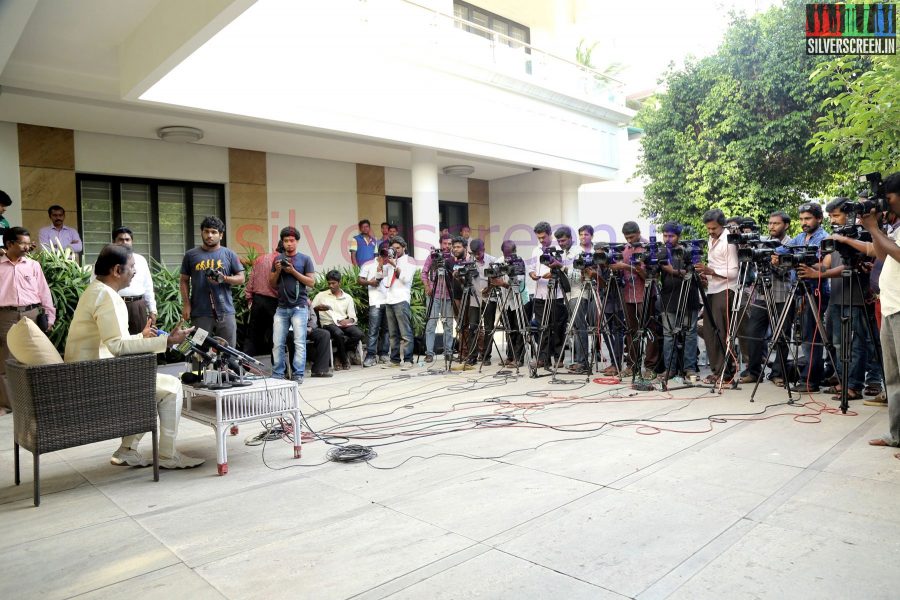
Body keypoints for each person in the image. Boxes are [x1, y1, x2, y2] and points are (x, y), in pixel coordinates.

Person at [65, 244, 202, 468]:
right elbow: (118, 346)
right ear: (117, 270)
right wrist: (168, 340)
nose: (134, 272)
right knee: (171, 387)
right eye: (131, 268)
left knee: (150, 385)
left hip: (87, 373)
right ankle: (168, 456)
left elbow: (110, 341)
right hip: (95, 380)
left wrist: (141, 335)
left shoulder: (95, 291)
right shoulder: (109, 297)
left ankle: (127, 450)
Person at [817, 198, 879, 401]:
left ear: (850, 215)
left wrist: (820, 274)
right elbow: (825, 263)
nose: (833, 221)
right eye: (831, 217)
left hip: (857, 297)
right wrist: (806, 266)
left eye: (836, 215)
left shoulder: (863, 236)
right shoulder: (834, 238)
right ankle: (843, 382)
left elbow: (851, 266)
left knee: (856, 344)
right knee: (838, 344)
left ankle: (853, 386)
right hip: (836, 297)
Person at [862, 173, 900, 459]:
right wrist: (874, 229)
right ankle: (896, 434)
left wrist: (875, 228)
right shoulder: (895, 226)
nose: (886, 201)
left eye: (889, 196)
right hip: (890, 307)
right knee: (893, 378)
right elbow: (883, 255)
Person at [0, 227, 56, 415]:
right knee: (6, 361)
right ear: (9, 244)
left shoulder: (33, 265)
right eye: (22, 243)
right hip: (5, 316)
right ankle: (8, 406)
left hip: (31, 314)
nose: (27, 247)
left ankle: (35, 401)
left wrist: (50, 315)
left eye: (27, 242)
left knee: (35, 356)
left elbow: (44, 292)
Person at [777, 202, 830, 392]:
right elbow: (781, 252)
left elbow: (825, 265)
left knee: (811, 337)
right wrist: (776, 256)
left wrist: (811, 266)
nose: (804, 222)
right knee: (803, 335)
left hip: (815, 291)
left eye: (807, 218)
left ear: (819, 219)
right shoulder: (799, 237)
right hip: (798, 290)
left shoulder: (824, 238)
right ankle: (804, 376)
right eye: (801, 219)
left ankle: (811, 380)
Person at [742, 211, 792, 385]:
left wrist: (774, 263)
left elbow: (784, 271)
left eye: (776, 224)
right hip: (762, 294)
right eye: (770, 223)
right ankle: (753, 372)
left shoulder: (790, 244)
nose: (772, 227)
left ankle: (777, 373)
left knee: (781, 336)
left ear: (786, 225)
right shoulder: (763, 242)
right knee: (753, 333)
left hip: (783, 296)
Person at [180, 216, 245, 346]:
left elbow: (241, 278)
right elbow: (183, 280)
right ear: (202, 233)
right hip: (200, 313)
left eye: (214, 232)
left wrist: (224, 278)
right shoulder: (191, 255)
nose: (209, 235)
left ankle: (226, 368)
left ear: (221, 235)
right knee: (199, 351)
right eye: (206, 231)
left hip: (225, 312)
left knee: (228, 352)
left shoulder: (229, 254)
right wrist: (186, 304)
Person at [695, 209, 739, 384]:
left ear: (722, 224)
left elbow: (734, 272)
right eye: (708, 229)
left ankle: (725, 372)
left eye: (714, 228)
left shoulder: (728, 241)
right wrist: (707, 275)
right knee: (709, 331)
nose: (711, 232)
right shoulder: (711, 239)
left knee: (721, 332)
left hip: (726, 289)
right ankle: (717, 369)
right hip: (713, 289)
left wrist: (711, 271)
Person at [611, 221, 659, 378]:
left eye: (632, 237)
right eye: (627, 238)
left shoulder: (647, 247)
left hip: (644, 294)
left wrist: (625, 267)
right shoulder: (625, 249)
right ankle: (632, 365)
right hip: (628, 295)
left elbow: (649, 276)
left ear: (639, 232)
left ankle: (650, 367)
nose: (630, 240)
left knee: (648, 330)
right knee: (631, 331)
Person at [269, 226, 316, 383]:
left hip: (299, 307)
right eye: (286, 241)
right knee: (277, 343)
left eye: (292, 240)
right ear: (282, 242)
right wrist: (277, 271)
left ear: (297, 241)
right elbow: (272, 284)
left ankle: (298, 374)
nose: (289, 244)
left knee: (299, 342)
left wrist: (293, 271)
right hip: (281, 307)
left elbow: (311, 282)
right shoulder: (277, 259)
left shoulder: (305, 259)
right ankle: (278, 373)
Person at [658, 222, 701, 380]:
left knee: (690, 334)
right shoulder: (660, 252)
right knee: (668, 335)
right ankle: (670, 369)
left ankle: (689, 368)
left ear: (679, 236)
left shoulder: (688, 251)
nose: (668, 239)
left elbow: (694, 273)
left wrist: (674, 271)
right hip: (668, 298)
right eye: (665, 235)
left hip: (689, 298)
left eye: (671, 236)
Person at [529, 221, 567, 368]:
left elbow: (562, 269)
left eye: (544, 237)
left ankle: (559, 358)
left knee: (557, 327)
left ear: (550, 234)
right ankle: (544, 358)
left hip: (556, 294)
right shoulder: (536, 250)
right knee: (541, 327)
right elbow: (532, 267)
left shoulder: (559, 249)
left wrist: (552, 273)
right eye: (539, 238)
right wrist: (532, 274)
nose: (541, 240)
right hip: (539, 293)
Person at [109, 227, 157, 335]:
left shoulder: (140, 260)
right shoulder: (107, 260)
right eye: (120, 239)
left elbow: (148, 286)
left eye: (127, 239)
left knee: (141, 342)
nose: (124, 242)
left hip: (137, 305)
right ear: (114, 242)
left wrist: (152, 310)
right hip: (115, 304)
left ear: (132, 241)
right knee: (118, 340)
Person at [312, 270, 364, 370]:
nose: (331, 286)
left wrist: (348, 321)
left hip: (343, 323)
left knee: (358, 334)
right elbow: (310, 310)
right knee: (338, 333)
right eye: (329, 283)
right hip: (328, 323)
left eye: (333, 283)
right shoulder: (321, 295)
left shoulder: (347, 297)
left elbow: (353, 317)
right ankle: (344, 359)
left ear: (339, 283)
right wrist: (317, 308)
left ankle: (338, 354)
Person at [382, 236, 415, 369]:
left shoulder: (409, 260)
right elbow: (382, 278)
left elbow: (406, 279)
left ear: (404, 248)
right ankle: (394, 360)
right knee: (393, 334)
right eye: (393, 248)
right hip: (389, 299)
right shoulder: (389, 261)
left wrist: (395, 265)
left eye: (398, 248)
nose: (395, 250)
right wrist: (382, 264)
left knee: (405, 333)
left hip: (401, 299)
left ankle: (408, 360)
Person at [421, 233, 455, 363]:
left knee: (448, 324)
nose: (447, 246)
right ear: (441, 244)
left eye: (449, 244)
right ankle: (429, 353)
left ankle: (448, 352)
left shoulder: (453, 258)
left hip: (448, 295)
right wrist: (427, 286)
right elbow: (424, 272)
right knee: (431, 324)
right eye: (445, 243)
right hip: (434, 294)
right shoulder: (433, 256)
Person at [244, 243, 281, 356]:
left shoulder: (260, 259)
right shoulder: (283, 261)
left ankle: (246, 366)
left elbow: (251, 280)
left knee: (253, 335)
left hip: (258, 300)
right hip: (276, 302)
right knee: (277, 334)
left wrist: (249, 298)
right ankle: (277, 367)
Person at [359, 242, 390, 367]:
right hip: (375, 301)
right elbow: (359, 280)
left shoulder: (392, 264)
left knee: (387, 331)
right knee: (373, 330)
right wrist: (369, 282)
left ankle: (384, 354)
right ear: (380, 251)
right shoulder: (368, 264)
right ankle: (371, 355)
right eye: (385, 251)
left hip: (389, 300)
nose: (387, 254)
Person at [469, 238, 499, 365]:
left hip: (489, 298)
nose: (476, 256)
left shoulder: (493, 261)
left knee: (488, 328)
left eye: (478, 253)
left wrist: (490, 287)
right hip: (474, 298)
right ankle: (472, 356)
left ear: (483, 249)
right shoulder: (470, 262)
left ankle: (486, 356)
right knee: (473, 328)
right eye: (474, 253)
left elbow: (498, 280)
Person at [499, 240, 527, 367]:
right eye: (506, 254)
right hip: (506, 301)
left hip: (519, 300)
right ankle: (510, 356)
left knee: (519, 329)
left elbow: (518, 281)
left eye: (510, 254)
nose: (508, 257)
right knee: (509, 330)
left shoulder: (519, 261)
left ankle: (519, 359)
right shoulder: (500, 261)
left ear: (515, 251)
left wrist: (503, 283)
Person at [305, 308, 333, 377]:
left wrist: (310, 327)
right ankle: (292, 372)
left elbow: (313, 316)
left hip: (308, 328)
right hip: (293, 329)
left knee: (324, 334)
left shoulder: (306, 300)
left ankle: (319, 370)